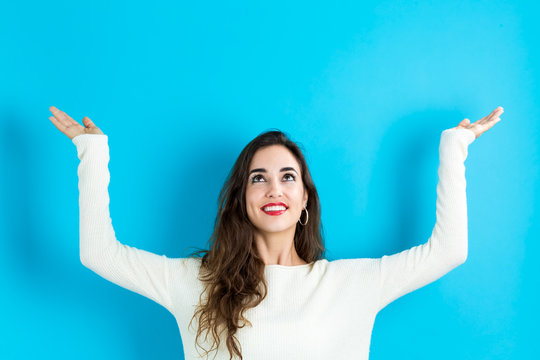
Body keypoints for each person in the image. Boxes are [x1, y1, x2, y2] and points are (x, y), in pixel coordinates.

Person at [49, 105, 503, 360]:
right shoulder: (195, 281)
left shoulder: (350, 284)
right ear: (242, 199)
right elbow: (100, 254)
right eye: (258, 177)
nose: (274, 188)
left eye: (288, 177)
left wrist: (454, 148)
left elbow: (448, 251)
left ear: (305, 199)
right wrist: (92, 152)